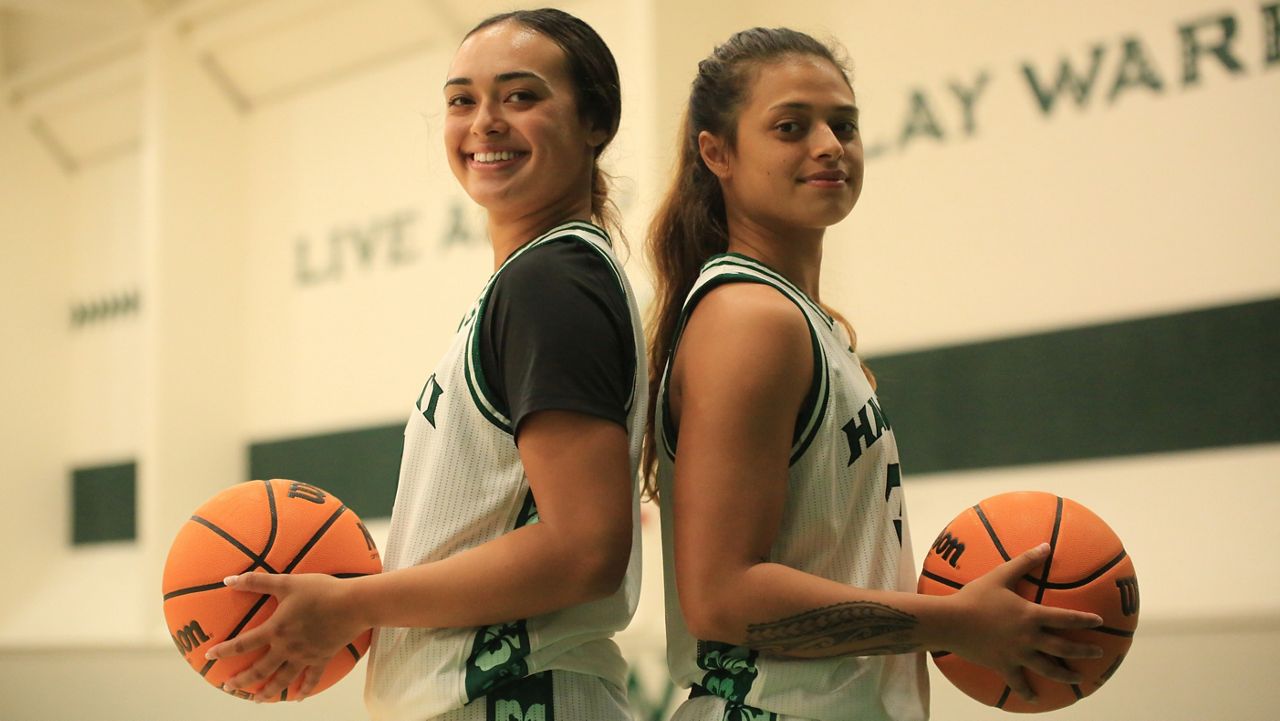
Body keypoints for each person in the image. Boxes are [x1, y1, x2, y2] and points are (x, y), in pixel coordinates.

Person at [644, 27, 1103, 721]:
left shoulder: (803, 321)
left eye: (845, 124)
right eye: (792, 127)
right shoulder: (750, 320)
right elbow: (721, 595)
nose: (830, 144)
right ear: (718, 153)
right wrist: (950, 619)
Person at [206, 9, 647, 721]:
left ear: (596, 119)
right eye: (461, 100)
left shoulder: (553, 280)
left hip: (519, 695)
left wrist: (351, 601)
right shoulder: (535, 280)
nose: (485, 122)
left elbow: (584, 548)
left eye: (521, 96)